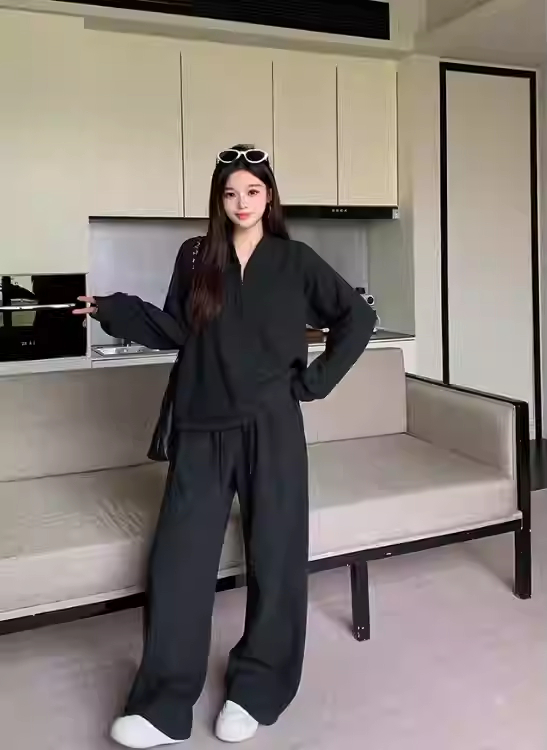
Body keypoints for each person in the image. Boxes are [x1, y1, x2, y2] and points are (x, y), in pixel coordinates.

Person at [74, 145, 375, 748]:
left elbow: (356, 319)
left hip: (272, 428)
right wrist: (113, 310)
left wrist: (313, 383)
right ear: (218, 198)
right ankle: (162, 707)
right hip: (200, 427)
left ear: (270, 196)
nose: (242, 203)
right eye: (231, 193)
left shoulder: (295, 260)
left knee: (277, 558)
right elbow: (176, 328)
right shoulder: (195, 255)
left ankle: (256, 690)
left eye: (253, 191)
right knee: (178, 564)